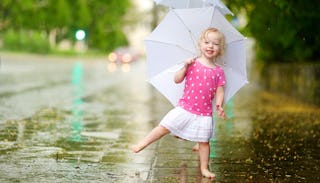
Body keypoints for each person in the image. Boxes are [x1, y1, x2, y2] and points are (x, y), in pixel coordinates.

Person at [131, 27, 227, 179]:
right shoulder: (193, 63)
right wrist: (185, 67)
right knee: (164, 127)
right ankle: (142, 143)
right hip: (185, 108)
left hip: (204, 113)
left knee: (204, 142)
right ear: (200, 45)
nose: (210, 46)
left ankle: (204, 168)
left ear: (220, 49)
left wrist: (219, 104)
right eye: (207, 42)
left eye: (215, 44)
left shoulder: (218, 71)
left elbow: (220, 90)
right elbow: (177, 79)